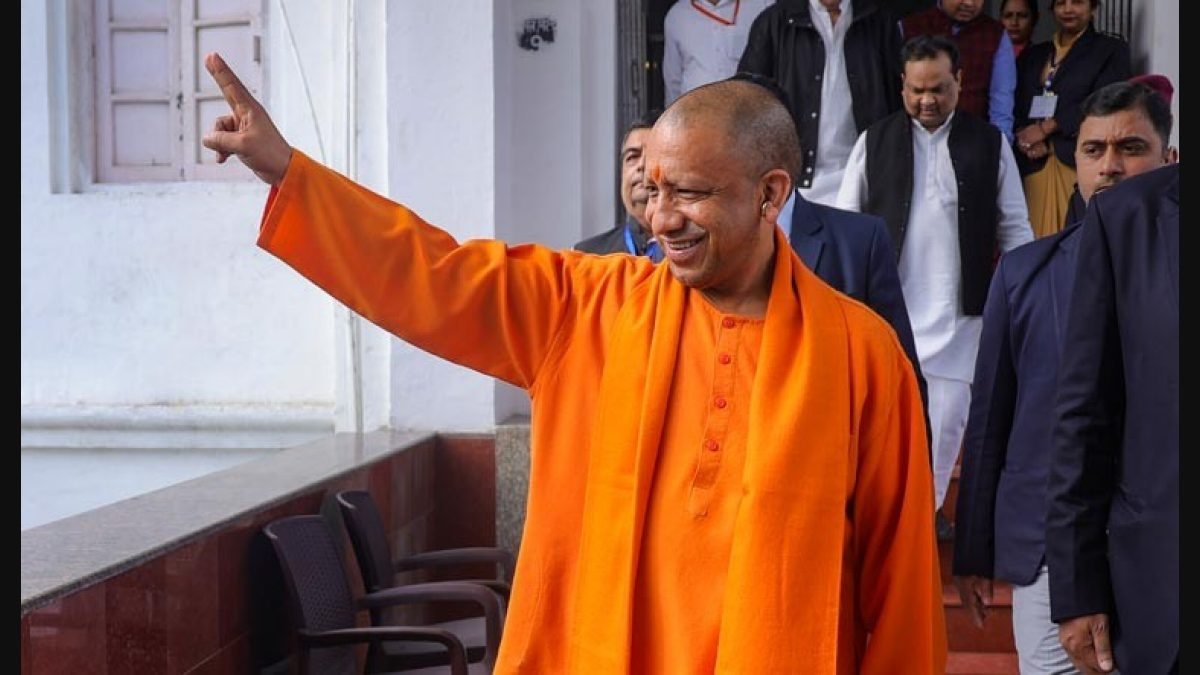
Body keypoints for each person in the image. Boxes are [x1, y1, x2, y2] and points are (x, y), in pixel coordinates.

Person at [202, 54, 947, 672]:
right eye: (653, 190)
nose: (661, 218)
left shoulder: (860, 353)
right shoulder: (586, 306)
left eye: (690, 193)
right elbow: (430, 272)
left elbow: (902, 581)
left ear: (769, 195)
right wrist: (289, 173)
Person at [952, 79, 1176, 675]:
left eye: (1131, 148)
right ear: (1074, 161)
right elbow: (990, 418)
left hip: (1161, 553)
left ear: (1170, 159)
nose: (1110, 167)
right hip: (1047, 551)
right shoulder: (1023, 273)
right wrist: (973, 550)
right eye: (1094, 150)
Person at [836, 35, 1033, 533]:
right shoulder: (873, 141)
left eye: (939, 89)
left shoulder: (989, 144)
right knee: (880, 436)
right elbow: (846, 226)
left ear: (960, 82)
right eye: (917, 90)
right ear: (902, 86)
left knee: (943, 435)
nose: (928, 100)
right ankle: (887, 530)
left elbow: (1015, 228)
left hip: (959, 322)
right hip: (886, 319)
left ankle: (920, 527)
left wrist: (1020, 298)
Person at [737, 0, 904, 205]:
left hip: (865, 177)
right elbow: (747, 101)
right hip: (796, 182)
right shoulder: (775, 22)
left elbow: (899, 98)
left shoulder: (878, 20)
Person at [1012, 0, 1130, 238]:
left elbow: (1105, 101)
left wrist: (1047, 128)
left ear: (1093, 7)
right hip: (1035, 163)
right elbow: (1016, 102)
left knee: (1076, 240)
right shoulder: (1034, 55)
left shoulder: (1109, 50)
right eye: (1060, 3)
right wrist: (1026, 138)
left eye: (1077, 2)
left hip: (1075, 159)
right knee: (1034, 243)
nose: (1068, 9)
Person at [901, 0, 1017, 143]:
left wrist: (999, 147)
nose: (969, 3)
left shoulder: (995, 34)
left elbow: (1001, 101)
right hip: (915, 140)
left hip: (974, 141)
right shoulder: (908, 28)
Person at [575, 112, 664, 260]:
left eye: (653, 155)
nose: (642, 165)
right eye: (632, 156)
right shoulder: (588, 256)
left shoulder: (694, 254)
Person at [662, 0, 774, 105]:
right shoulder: (677, 14)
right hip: (695, 110)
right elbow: (673, 79)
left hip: (750, 108)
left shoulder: (763, 4)